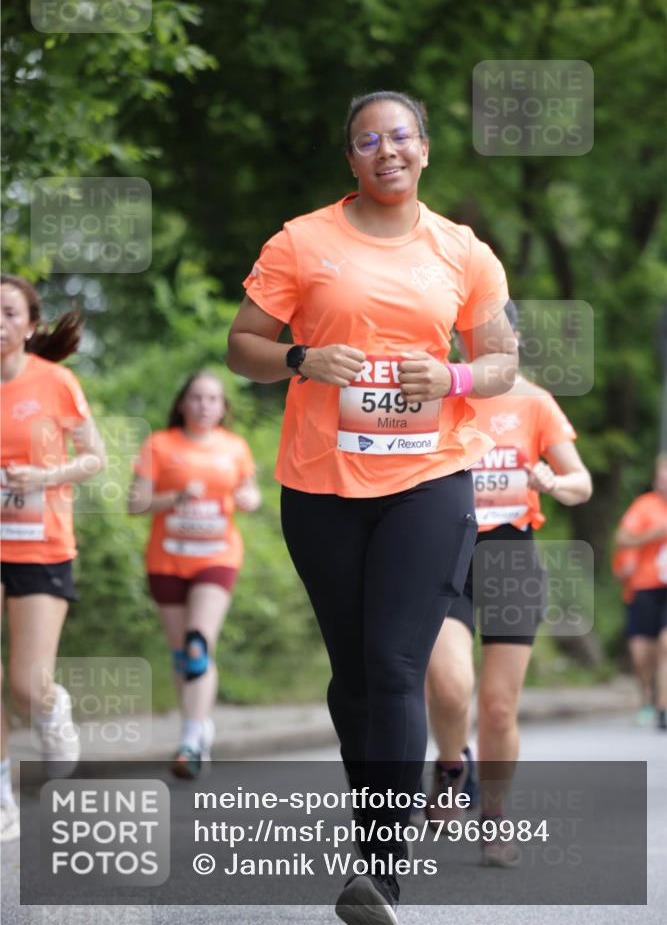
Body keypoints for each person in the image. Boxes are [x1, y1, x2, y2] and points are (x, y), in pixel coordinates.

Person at [227, 90, 517, 924]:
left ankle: (379, 871)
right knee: (353, 678)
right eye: (366, 140)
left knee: (395, 667)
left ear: (423, 149)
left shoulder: (463, 251)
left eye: (399, 136)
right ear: (349, 159)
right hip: (320, 486)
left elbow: (499, 360)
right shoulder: (301, 240)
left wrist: (454, 377)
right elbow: (242, 346)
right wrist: (300, 357)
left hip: (429, 479)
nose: (384, 150)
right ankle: (374, 834)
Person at [425, 300, 592, 867]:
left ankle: (494, 817)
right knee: (449, 686)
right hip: (446, 550)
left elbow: (581, 483)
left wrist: (553, 479)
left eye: (494, 331)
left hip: (510, 558)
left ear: (515, 337)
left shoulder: (534, 401)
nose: (480, 340)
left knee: (498, 707)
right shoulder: (443, 394)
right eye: (468, 333)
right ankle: (451, 767)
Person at [1, 273, 106, 842]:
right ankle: (1, 795)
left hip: (41, 543)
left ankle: (49, 706)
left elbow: (94, 458)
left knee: (24, 683)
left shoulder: (55, 382)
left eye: (9, 312)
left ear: (30, 324)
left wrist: (45, 476)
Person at [128, 370, 260, 778]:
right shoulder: (159, 444)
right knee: (182, 655)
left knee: (198, 643)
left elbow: (252, 494)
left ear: (223, 407)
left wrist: (247, 498)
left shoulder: (234, 447)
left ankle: (188, 742)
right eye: (197, 398)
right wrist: (176, 497)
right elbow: (135, 503)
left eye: (213, 399)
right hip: (167, 559)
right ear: (183, 403)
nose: (204, 405)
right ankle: (200, 724)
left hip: (217, 558)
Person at [614, 453, 667, 731]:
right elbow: (622, 539)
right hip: (644, 585)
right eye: (662, 477)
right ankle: (646, 697)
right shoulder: (644, 506)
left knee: (666, 644)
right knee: (641, 652)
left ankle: (662, 706)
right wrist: (654, 534)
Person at [612, 546, 656, 724]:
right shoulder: (630, 546)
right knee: (640, 657)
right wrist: (626, 571)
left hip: (660, 601)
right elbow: (618, 574)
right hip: (636, 602)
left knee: (661, 653)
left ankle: (660, 702)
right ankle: (646, 700)